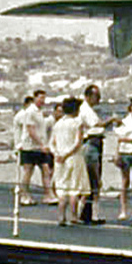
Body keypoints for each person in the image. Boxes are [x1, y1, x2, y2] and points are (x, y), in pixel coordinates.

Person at [78, 84, 118, 224]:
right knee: (94, 182)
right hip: (91, 144)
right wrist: (112, 120)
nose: (99, 99)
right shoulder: (86, 110)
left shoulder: (87, 109)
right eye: (97, 96)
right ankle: (90, 214)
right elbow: (97, 125)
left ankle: (84, 213)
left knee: (90, 182)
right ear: (89, 96)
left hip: (93, 144)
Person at [51, 97, 90, 226]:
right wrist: (67, 154)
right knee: (74, 188)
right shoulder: (76, 123)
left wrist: (57, 154)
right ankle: (74, 216)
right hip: (74, 158)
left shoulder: (57, 124)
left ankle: (61, 216)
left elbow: (52, 143)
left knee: (62, 188)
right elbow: (78, 143)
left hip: (59, 159)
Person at [17, 90, 55, 205]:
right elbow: (31, 130)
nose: (42, 101)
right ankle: (24, 195)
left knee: (46, 170)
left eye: (44, 98)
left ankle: (48, 195)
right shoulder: (30, 112)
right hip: (29, 147)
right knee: (28, 171)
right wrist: (41, 144)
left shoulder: (40, 112)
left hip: (40, 147)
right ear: (35, 98)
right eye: (40, 98)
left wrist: (44, 144)